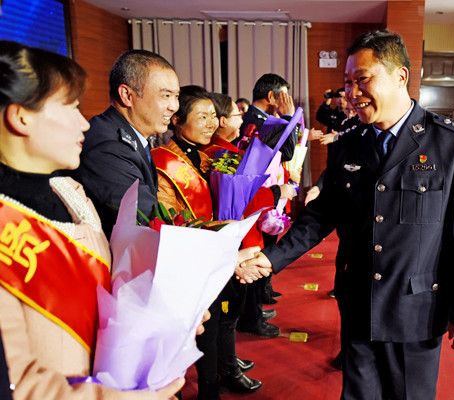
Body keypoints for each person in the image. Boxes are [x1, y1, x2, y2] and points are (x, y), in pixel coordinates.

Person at [238, 30, 454, 399]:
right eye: (347, 83)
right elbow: (321, 215)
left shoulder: (453, 143)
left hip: (415, 309)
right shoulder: (349, 143)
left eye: (362, 79)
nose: (352, 93)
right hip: (358, 300)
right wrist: (270, 257)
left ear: (400, 76)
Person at [0, 40, 189, 399]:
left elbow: (105, 284)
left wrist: (162, 314)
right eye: (70, 107)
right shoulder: (7, 223)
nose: (84, 123)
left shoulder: (70, 193)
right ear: (21, 116)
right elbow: (18, 384)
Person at [153, 89, 262, 399]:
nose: (211, 124)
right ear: (177, 120)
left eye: (214, 116)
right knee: (205, 331)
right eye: (202, 117)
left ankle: (226, 371)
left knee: (225, 319)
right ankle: (208, 390)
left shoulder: (213, 156)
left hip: (222, 253)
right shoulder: (161, 161)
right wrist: (224, 232)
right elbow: (169, 220)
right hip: (191, 259)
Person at [76, 49, 180, 237]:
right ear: (127, 95)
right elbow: (148, 221)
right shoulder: (108, 146)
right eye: (166, 95)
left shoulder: (128, 134)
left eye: (176, 96)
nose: (174, 106)